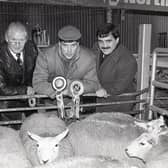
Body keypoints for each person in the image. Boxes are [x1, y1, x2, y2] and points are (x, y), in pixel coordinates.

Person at [33, 25, 99, 101]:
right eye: (65, 46)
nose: (69, 51)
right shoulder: (45, 56)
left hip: (78, 103)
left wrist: (72, 86)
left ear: (78, 44)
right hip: (51, 104)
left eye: (73, 45)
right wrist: (63, 90)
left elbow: (93, 84)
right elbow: (38, 83)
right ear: (59, 44)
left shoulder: (89, 58)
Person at [94, 23, 137, 113]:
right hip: (101, 101)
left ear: (117, 40)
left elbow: (119, 87)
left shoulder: (127, 60)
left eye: (108, 41)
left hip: (119, 104)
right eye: (101, 41)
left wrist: (103, 90)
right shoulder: (97, 49)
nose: (104, 45)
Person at [0, 22, 38, 120]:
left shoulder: (32, 49)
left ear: (26, 39)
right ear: (6, 38)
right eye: (13, 40)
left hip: (30, 98)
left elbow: (36, 73)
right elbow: (1, 88)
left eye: (21, 40)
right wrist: (25, 90)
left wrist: (33, 90)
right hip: (6, 102)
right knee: (10, 132)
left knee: (35, 126)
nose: (17, 44)